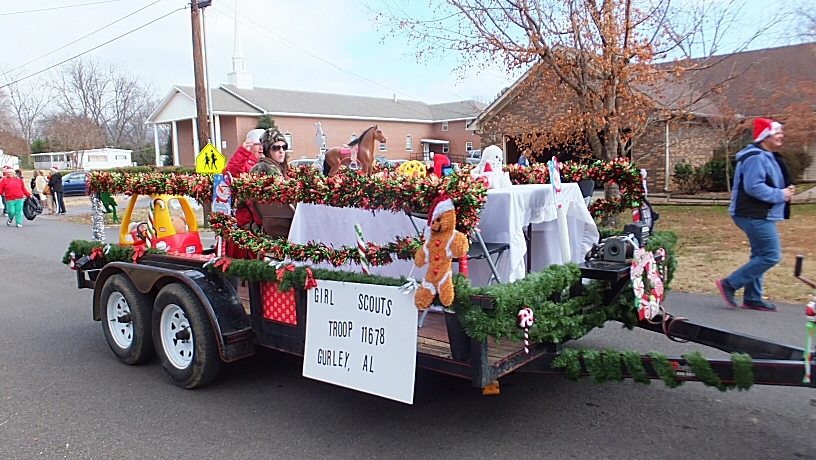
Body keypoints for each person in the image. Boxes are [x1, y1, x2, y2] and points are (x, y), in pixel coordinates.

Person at [717, 118, 795, 312]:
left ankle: (752, 297)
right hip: (752, 214)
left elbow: (768, 182)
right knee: (771, 255)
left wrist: (786, 189)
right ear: (765, 136)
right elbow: (753, 187)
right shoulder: (756, 157)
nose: (781, 136)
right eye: (777, 132)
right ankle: (730, 283)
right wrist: (781, 194)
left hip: (761, 214)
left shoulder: (766, 155)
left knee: (760, 254)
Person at [223, 128, 264, 258]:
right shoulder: (246, 163)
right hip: (249, 218)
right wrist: (242, 153)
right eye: (258, 144)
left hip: (263, 217)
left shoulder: (267, 164)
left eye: (264, 144)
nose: (261, 148)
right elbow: (229, 175)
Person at [248, 129, 295, 241]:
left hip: (269, 223)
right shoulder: (269, 169)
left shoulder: (258, 168)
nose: (281, 151)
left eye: (284, 147)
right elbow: (286, 197)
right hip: (282, 223)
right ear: (266, 150)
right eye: (275, 148)